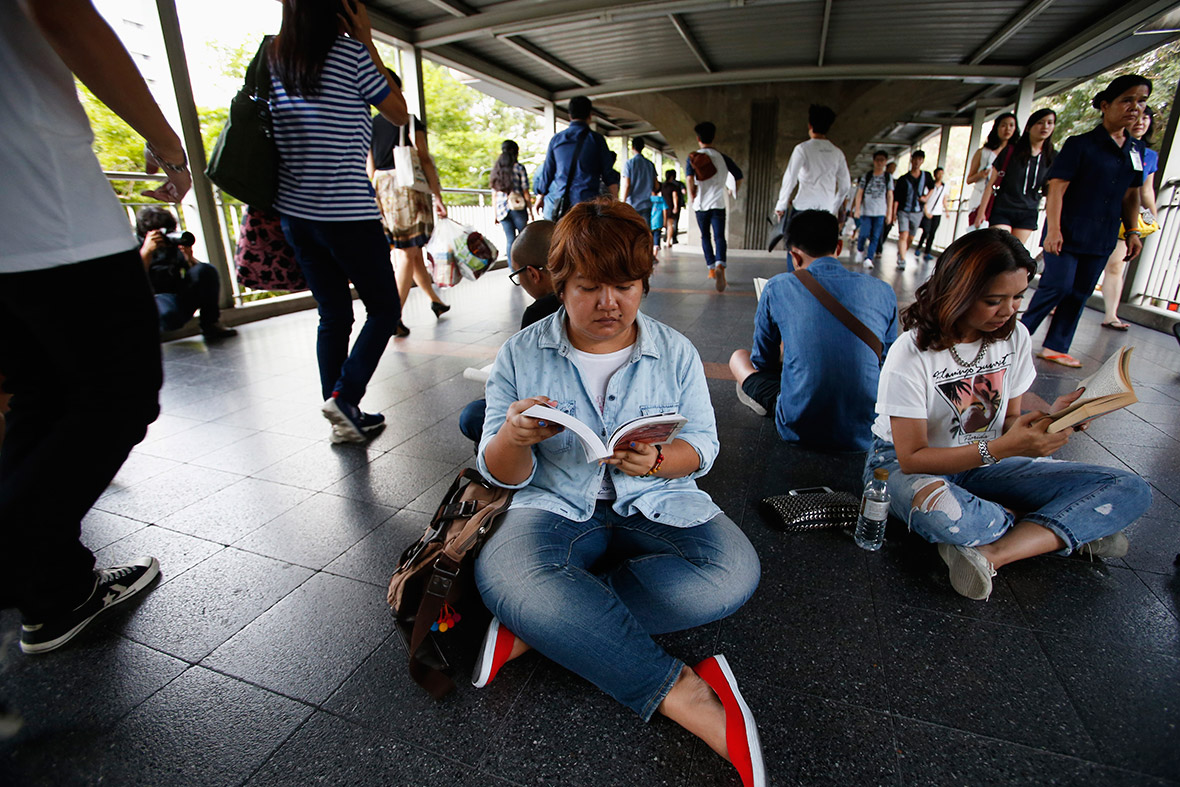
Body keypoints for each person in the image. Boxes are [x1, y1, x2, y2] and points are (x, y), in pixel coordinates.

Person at [472, 199, 764, 787]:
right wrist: (513, 434)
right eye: (588, 288)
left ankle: (539, 621)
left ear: (644, 283)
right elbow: (496, 473)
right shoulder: (522, 353)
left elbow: (702, 450)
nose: (610, 303)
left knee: (732, 573)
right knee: (505, 573)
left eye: (626, 286)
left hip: (656, 501)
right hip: (552, 505)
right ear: (559, 284)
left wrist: (658, 460)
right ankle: (683, 692)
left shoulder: (674, 352)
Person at [1, 0, 196, 654]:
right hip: (41, 200)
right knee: (120, 393)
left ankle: (55, 591)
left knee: (42, 396)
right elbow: (59, 11)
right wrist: (168, 145)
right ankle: (21, 555)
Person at [867, 229, 1151, 600]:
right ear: (958, 293)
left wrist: (1050, 418)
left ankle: (993, 552)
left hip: (986, 461)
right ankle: (1056, 528)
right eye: (993, 300)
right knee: (945, 515)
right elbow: (912, 455)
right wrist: (1001, 449)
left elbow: (1010, 418)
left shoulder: (1013, 336)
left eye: (1018, 297)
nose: (1009, 311)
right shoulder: (913, 351)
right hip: (906, 467)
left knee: (1130, 490)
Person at [269, 0, 409, 442]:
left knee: (333, 314)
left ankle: (341, 414)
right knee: (384, 309)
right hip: (346, 211)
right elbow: (399, 112)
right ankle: (345, 399)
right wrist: (367, 41)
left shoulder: (273, 57)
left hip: (294, 213)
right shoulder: (349, 53)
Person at [729, 210, 898, 451]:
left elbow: (762, 361)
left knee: (739, 358)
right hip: (867, 428)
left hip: (798, 425)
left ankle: (768, 402)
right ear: (838, 247)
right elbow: (887, 363)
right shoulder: (883, 290)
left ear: (794, 256)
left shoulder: (778, 286)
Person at [1021, 74, 1152, 368]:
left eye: (1141, 102)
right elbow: (1057, 188)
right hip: (1067, 230)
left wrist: (1132, 231)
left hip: (1103, 235)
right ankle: (1017, 336)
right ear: (1105, 105)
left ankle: (1056, 345)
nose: (1135, 108)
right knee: (1058, 285)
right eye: (1127, 100)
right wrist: (1052, 230)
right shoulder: (1080, 144)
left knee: (1080, 291)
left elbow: (1131, 195)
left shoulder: (1135, 150)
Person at [457, 221, 561, 446]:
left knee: (473, 415)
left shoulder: (539, 314)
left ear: (532, 274)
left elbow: (529, 384)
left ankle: (496, 473)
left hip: (556, 420)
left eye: (517, 275)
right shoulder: (589, 298)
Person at [369, 72, 450, 338]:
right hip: (407, 189)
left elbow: (369, 165)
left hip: (382, 189)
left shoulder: (370, 124)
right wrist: (437, 195)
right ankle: (393, 316)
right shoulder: (409, 121)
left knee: (411, 251)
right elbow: (424, 158)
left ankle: (435, 300)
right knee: (407, 252)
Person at [135, 207, 238, 341]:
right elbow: (131, 281)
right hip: (154, 299)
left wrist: (189, 259)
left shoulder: (171, 244)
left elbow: (200, 277)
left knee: (205, 269)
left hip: (176, 295)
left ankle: (211, 324)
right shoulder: (136, 247)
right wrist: (146, 252)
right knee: (169, 315)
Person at [1101, 106, 1159, 331]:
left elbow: (1146, 190)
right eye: (1138, 117)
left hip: (1126, 218)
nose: (1141, 122)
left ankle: (1111, 315)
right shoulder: (1108, 145)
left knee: (1116, 265)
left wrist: (1151, 217)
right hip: (1100, 213)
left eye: (1146, 118)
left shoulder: (1149, 155)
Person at [773, 105, 852, 269]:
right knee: (824, 255)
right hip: (826, 212)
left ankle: (796, 285)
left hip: (802, 210)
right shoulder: (837, 153)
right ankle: (818, 289)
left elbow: (790, 179)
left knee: (795, 252)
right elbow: (845, 186)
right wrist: (833, 207)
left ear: (810, 125)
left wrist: (781, 205)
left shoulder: (802, 149)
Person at [976, 108, 1057, 244]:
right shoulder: (1010, 151)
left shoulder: (1052, 157)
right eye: (1040, 122)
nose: (1045, 127)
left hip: (1028, 212)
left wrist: (1053, 225)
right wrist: (981, 212)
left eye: (1050, 123)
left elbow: (1051, 192)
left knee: (1015, 252)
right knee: (1001, 248)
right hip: (1003, 209)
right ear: (1029, 127)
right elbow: (991, 184)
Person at [534, 96, 619, 221]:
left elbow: (548, 172)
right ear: (590, 115)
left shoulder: (557, 140)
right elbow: (608, 174)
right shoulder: (596, 140)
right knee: (586, 239)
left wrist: (540, 197)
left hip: (562, 205)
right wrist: (615, 202)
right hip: (587, 206)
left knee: (561, 238)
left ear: (570, 115)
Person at [686, 121, 744, 292]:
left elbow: (689, 179)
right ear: (713, 137)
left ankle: (711, 268)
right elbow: (738, 176)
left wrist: (691, 196)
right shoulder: (722, 157)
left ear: (698, 138)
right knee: (719, 237)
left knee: (705, 236)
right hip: (719, 203)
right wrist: (732, 191)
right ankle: (721, 267)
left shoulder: (693, 157)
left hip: (701, 205)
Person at [965, 112, 1019, 229]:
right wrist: (980, 175)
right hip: (980, 198)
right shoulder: (983, 152)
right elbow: (969, 179)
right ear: (997, 128)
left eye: (1011, 125)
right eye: (1003, 125)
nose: (1007, 129)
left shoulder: (1017, 154)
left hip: (1003, 201)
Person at [489, 139, 533, 265]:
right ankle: (525, 268)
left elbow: (494, 195)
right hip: (518, 208)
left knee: (510, 240)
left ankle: (513, 269)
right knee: (523, 239)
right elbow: (525, 192)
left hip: (502, 210)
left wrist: (495, 215)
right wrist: (530, 210)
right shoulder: (518, 168)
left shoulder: (497, 170)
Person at [852, 150, 894, 268]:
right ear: (874, 161)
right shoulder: (867, 176)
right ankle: (860, 250)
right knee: (864, 233)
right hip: (866, 211)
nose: (880, 163)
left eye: (882, 160)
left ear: (885, 162)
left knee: (875, 236)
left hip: (880, 212)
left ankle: (869, 258)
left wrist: (889, 213)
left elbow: (890, 195)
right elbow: (859, 193)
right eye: (877, 160)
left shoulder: (888, 177)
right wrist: (857, 209)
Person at [893, 150, 934, 270]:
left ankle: (902, 252)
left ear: (922, 161)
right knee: (903, 235)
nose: (917, 162)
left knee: (910, 237)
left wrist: (926, 198)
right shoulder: (903, 179)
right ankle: (902, 259)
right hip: (903, 211)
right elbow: (896, 198)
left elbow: (932, 188)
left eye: (920, 159)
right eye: (915, 159)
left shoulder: (926, 176)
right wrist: (894, 213)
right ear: (911, 160)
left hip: (917, 211)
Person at [915, 167, 949, 261]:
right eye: (939, 173)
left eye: (942, 173)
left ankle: (927, 252)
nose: (940, 176)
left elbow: (944, 200)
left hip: (937, 213)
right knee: (926, 231)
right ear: (935, 175)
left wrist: (946, 211)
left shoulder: (944, 187)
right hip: (928, 211)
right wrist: (926, 211)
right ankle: (919, 247)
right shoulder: (929, 185)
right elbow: (924, 199)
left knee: (932, 233)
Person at [620, 136, 657, 222]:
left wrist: (623, 202)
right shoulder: (650, 164)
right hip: (646, 204)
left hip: (632, 205)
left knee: (631, 232)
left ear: (632, 147)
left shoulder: (629, 164)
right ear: (643, 147)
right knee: (645, 232)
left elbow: (627, 185)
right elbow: (656, 185)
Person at [661, 169, 685, 245]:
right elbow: (675, 197)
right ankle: (669, 240)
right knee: (671, 224)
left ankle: (664, 237)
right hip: (671, 207)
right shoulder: (675, 186)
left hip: (662, 206)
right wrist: (676, 206)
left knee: (664, 223)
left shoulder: (662, 185)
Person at [650, 183, 669, 252]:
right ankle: (655, 253)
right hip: (658, 221)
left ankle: (650, 253)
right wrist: (665, 221)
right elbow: (665, 211)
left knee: (649, 238)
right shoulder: (661, 199)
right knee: (657, 237)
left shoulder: (648, 199)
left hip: (650, 222)